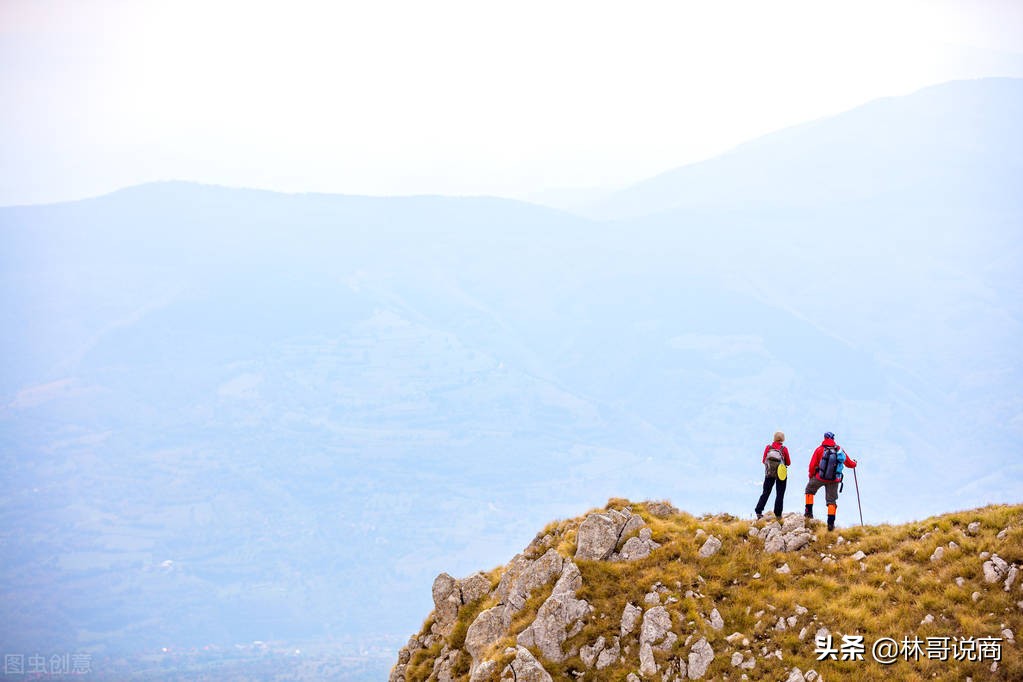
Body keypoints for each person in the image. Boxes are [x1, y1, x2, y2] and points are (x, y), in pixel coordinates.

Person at [805, 431, 858, 531]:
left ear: (824, 438)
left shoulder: (819, 449)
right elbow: (849, 463)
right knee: (831, 501)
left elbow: (812, 465)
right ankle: (830, 524)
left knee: (809, 490)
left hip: (819, 478)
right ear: (833, 439)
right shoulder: (839, 450)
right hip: (834, 480)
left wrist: (811, 477)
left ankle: (808, 513)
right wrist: (855, 463)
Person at [754, 431, 791, 519]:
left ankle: (759, 511)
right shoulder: (784, 449)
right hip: (781, 474)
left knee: (766, 492)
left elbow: (764, 461)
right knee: (780, 494)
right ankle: (778, 514)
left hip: (769, 473)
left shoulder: (768, 448)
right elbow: (788, 463)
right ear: (783, 439)